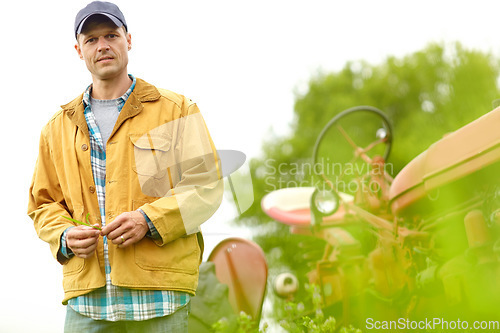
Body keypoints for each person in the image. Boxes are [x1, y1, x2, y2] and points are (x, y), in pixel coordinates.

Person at [27, 1, 223, 332]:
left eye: (111, 35)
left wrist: (149, 220)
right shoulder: (56, 128)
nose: (102, 46)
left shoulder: (176, 109)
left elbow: (207, 188)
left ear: (128, 40)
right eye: (91, 40)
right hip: (87, 304)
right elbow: (43, 203)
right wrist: (63, 235)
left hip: (161, 297)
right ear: (79, 50)